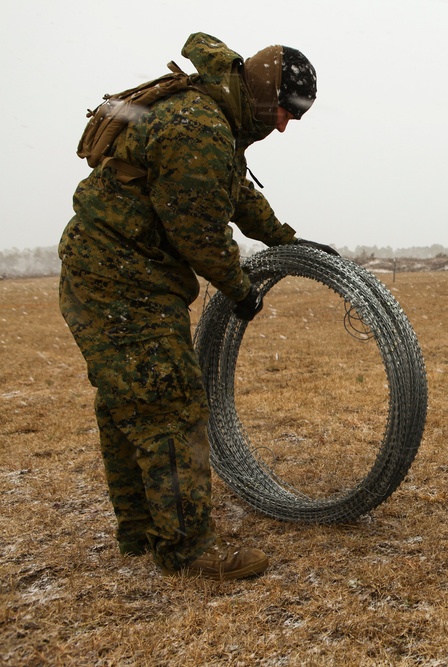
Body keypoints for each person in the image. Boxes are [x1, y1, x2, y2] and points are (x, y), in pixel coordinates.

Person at [58, 32, 336, 580]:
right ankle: (187, 548)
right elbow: (199, 232)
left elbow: (232, 194)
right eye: (285, 111)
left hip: (108, 272)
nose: (284, 126)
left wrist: (284, 240)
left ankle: (142, 530)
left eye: (295, 118)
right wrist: (240, 289)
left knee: (128, 402)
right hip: (121, 279)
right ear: (263, 94)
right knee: (171, 406)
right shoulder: (200, 128)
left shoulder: (214, 119)